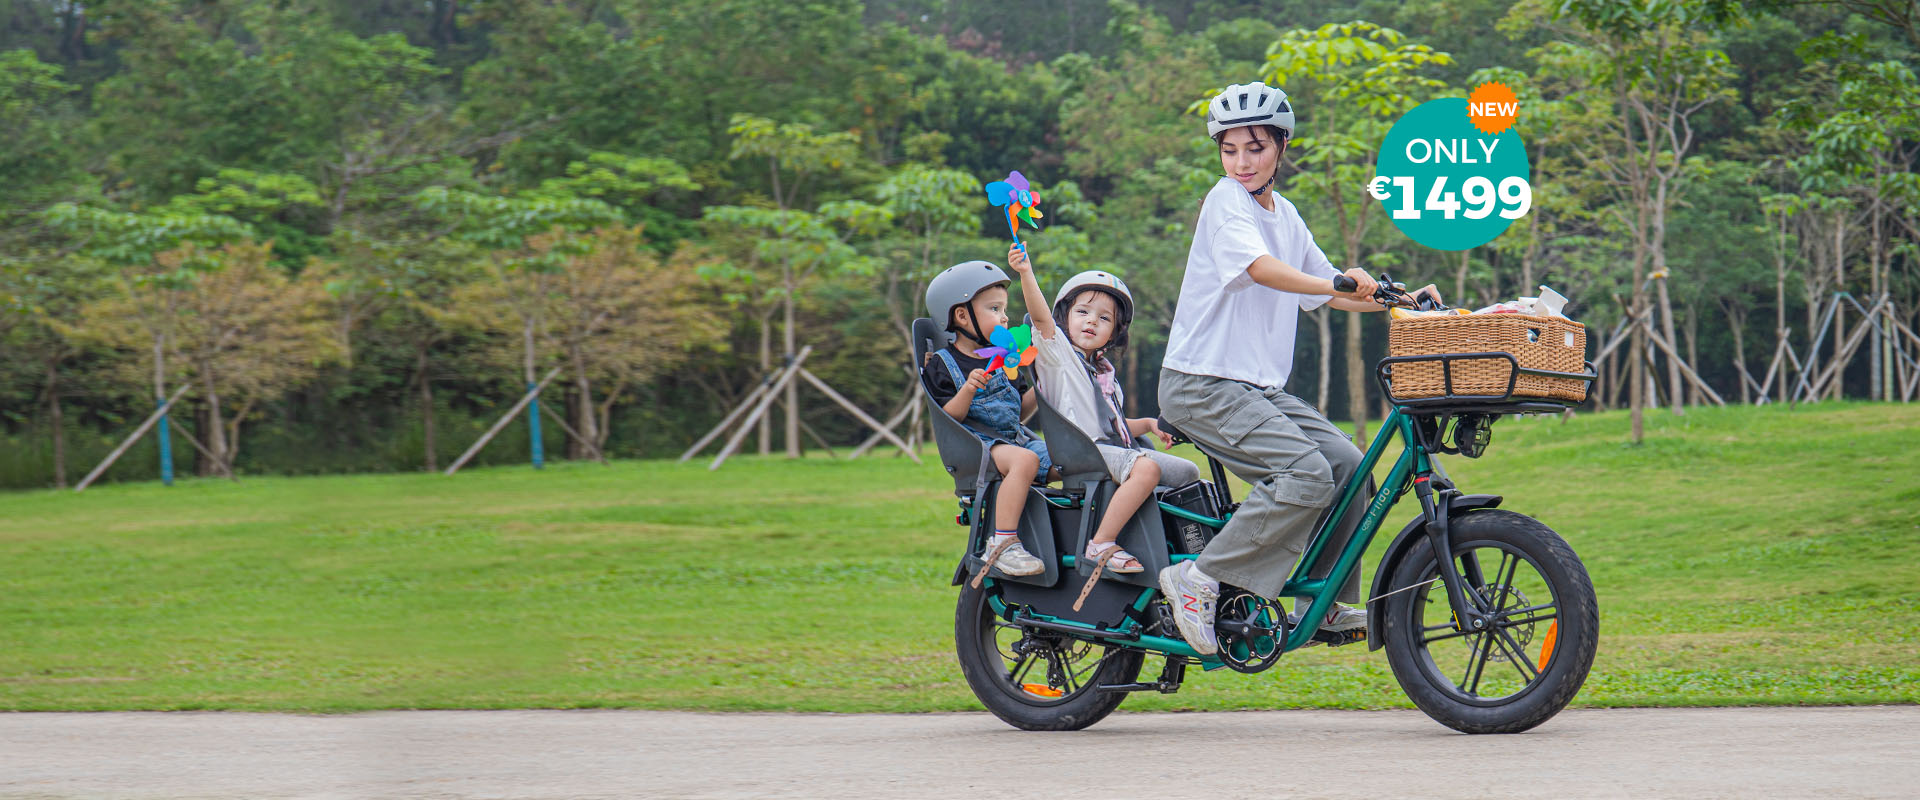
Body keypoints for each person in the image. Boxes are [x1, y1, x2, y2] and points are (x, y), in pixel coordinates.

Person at [1155, 81, 1442, 655]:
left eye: (1255, 147)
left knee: (1347, 466)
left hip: (1254, 389)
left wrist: (1395, 299)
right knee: (1305, 475)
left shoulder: (1284, 215)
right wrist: (1337, 281)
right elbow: (1262, 270)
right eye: (1229, 148)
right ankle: (1200, 580)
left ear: (1281, 147)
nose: (1241, 161)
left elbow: (1331, 293)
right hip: (1201, 382)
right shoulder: (1224, 203)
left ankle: (1324, 603)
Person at [1007, 243, 1200, 584]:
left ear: (1115, 332)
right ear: (1064, 316)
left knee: (1188, 471)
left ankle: (1178, 552)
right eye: (1083, 312)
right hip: (1081, 452)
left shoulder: (1103, 372)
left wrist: (1151, 425)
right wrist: (1026, 273)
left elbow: (1114, 425)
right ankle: (1101, 543)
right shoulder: (1058, 357)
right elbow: (1039, 317)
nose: (1092, 322)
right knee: (1147, 468)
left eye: (1104, 318)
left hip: (1110, 449)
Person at [921, 260, 1058, 577]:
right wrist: (967, 390)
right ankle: (1003, 543)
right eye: (995, 309)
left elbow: (1019, 413)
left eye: (1004, 309)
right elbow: (948, 420)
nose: (1005, 317)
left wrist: (1041, 386)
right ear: (961, 315)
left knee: (1070, 459)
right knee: (1024, 461)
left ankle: (1063, 535)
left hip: (1014, 440)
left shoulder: (1005, 359)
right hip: (976, 446)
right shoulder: (943, 364)